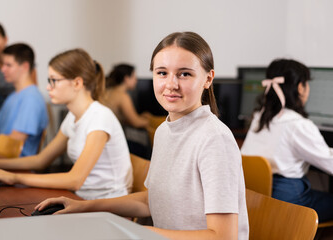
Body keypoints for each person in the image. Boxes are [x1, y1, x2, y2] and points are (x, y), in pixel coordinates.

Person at [36, 32, 249, 239]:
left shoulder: (214, 138)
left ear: (208, 79)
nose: (171, 84)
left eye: (185, 74)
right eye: (162, 73)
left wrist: (133, 232)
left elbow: (223, 236)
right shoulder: (165, 131)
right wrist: (84, 206)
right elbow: (151, 202)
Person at [0, 48, 133, 200]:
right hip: (83, 200)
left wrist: (16, 178)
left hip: (108, 206)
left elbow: (75, 180)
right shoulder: (72, 116)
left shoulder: (100, 117)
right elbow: (41, 160)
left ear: (77, 83)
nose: (48, 87)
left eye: (54, 80)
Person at [241, 59, 333, 223]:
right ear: (300, 87)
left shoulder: (258, 117)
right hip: (288, 204)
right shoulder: (298, 125)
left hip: (257, 201)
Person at [0, 43, 48, 157]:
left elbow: (14, 141)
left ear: (25, 67)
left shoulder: (31, 98)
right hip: (2, 158)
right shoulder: (13, 96)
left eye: (8, 65)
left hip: (15, 165)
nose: (2, 69)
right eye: (3, 64)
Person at [101, 64, 152, 158]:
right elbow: (136, 122)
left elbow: (121, 118)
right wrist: (152, 121)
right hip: (114, 144)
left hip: (103, 143)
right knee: (145, 149)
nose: (136, 80)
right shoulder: (122, 96)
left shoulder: (107, 92)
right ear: (126, 78)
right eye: (134, 77)